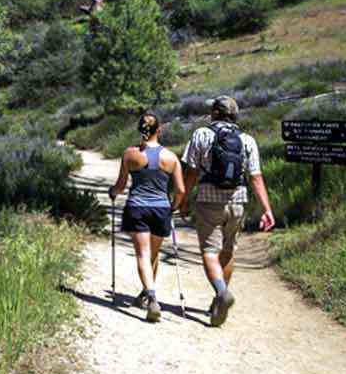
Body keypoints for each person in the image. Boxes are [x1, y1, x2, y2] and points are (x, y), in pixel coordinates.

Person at [179, 95, 275, 327]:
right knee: (228, 250)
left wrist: (182, 200)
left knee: (209, 251)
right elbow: (256, 177)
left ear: (214, 113)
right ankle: (219, 299)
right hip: (238, 201)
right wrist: (267, 209)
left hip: (208, 201)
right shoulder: (247, 140)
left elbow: (191, 171)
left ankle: (221, 292)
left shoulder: (202, 134)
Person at [107, 112, 185, 323]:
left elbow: (121, 186)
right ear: (159, 129)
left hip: (137, 208)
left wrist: (112, 193)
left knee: (143, 253)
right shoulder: (171, 157)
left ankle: (150, 296)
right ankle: (146, 292)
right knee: (154, 254)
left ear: (140, 129)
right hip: (161, 209)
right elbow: (180, 190)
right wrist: (174, 207)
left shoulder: (130, 154)